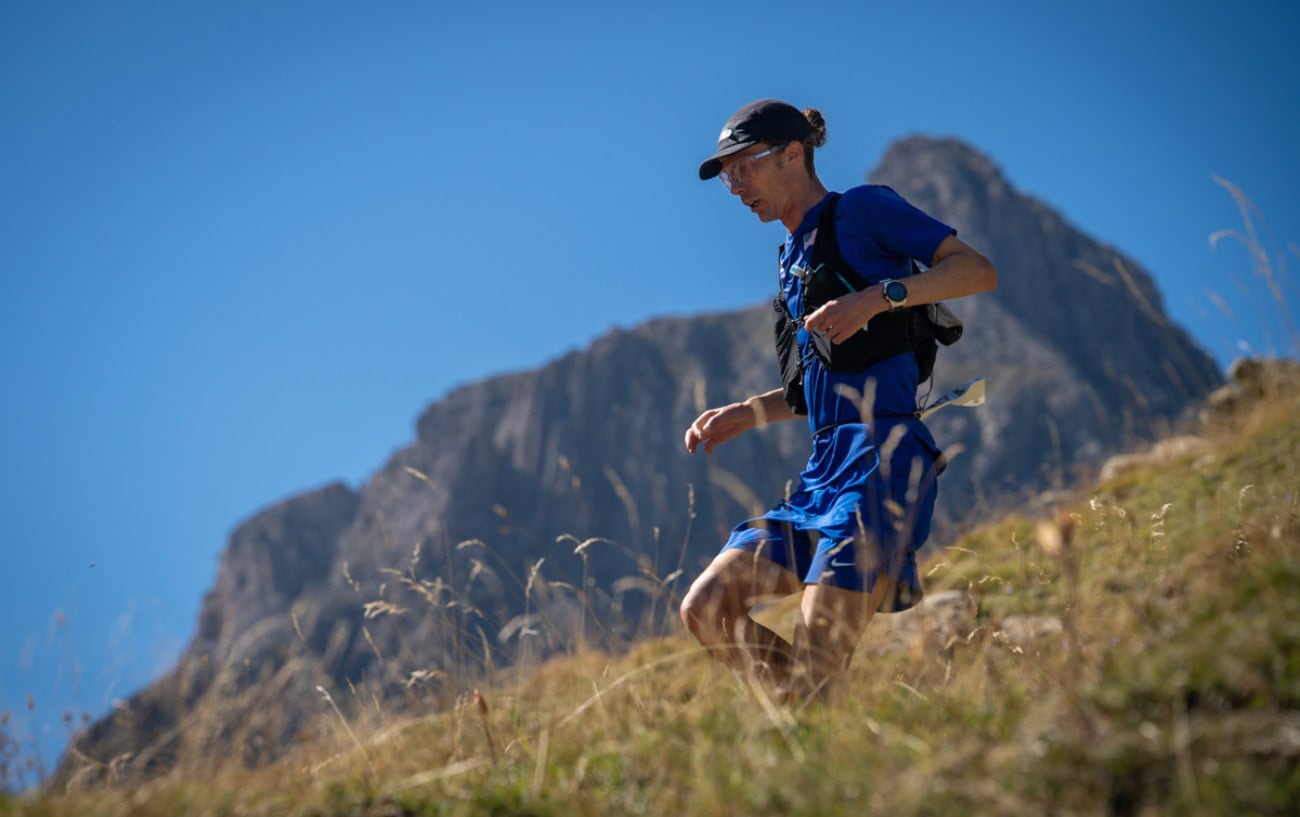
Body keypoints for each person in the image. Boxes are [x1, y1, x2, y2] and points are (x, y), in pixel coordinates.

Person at [680, 99, 997, 702]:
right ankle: (811, 719)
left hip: (882, 459)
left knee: (818, 656)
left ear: (792, 155)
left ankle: (815, 724)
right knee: (706, 607)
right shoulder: (790, 260)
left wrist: (879, 297)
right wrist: (745, 413)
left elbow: (977, 271)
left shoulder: (863, 210)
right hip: (820, 475)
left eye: (744, 166)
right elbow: (812, 389)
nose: (735, 185)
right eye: (727, 175)